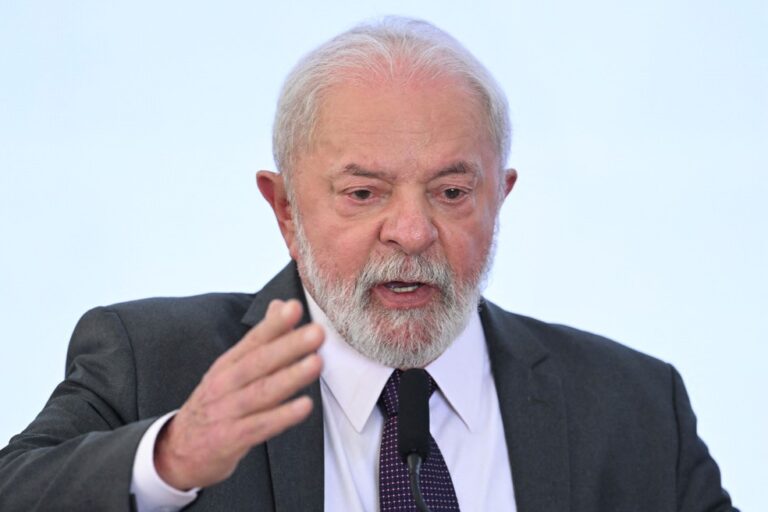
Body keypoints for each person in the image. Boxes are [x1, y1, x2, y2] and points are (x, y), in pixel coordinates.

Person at [0, 16, 736, 512]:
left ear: (500, 197)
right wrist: (169, 458)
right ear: (285, 210)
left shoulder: (637, 408)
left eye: (452, 192)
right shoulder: (154, 364)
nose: (411, 232)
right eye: (363, 193)